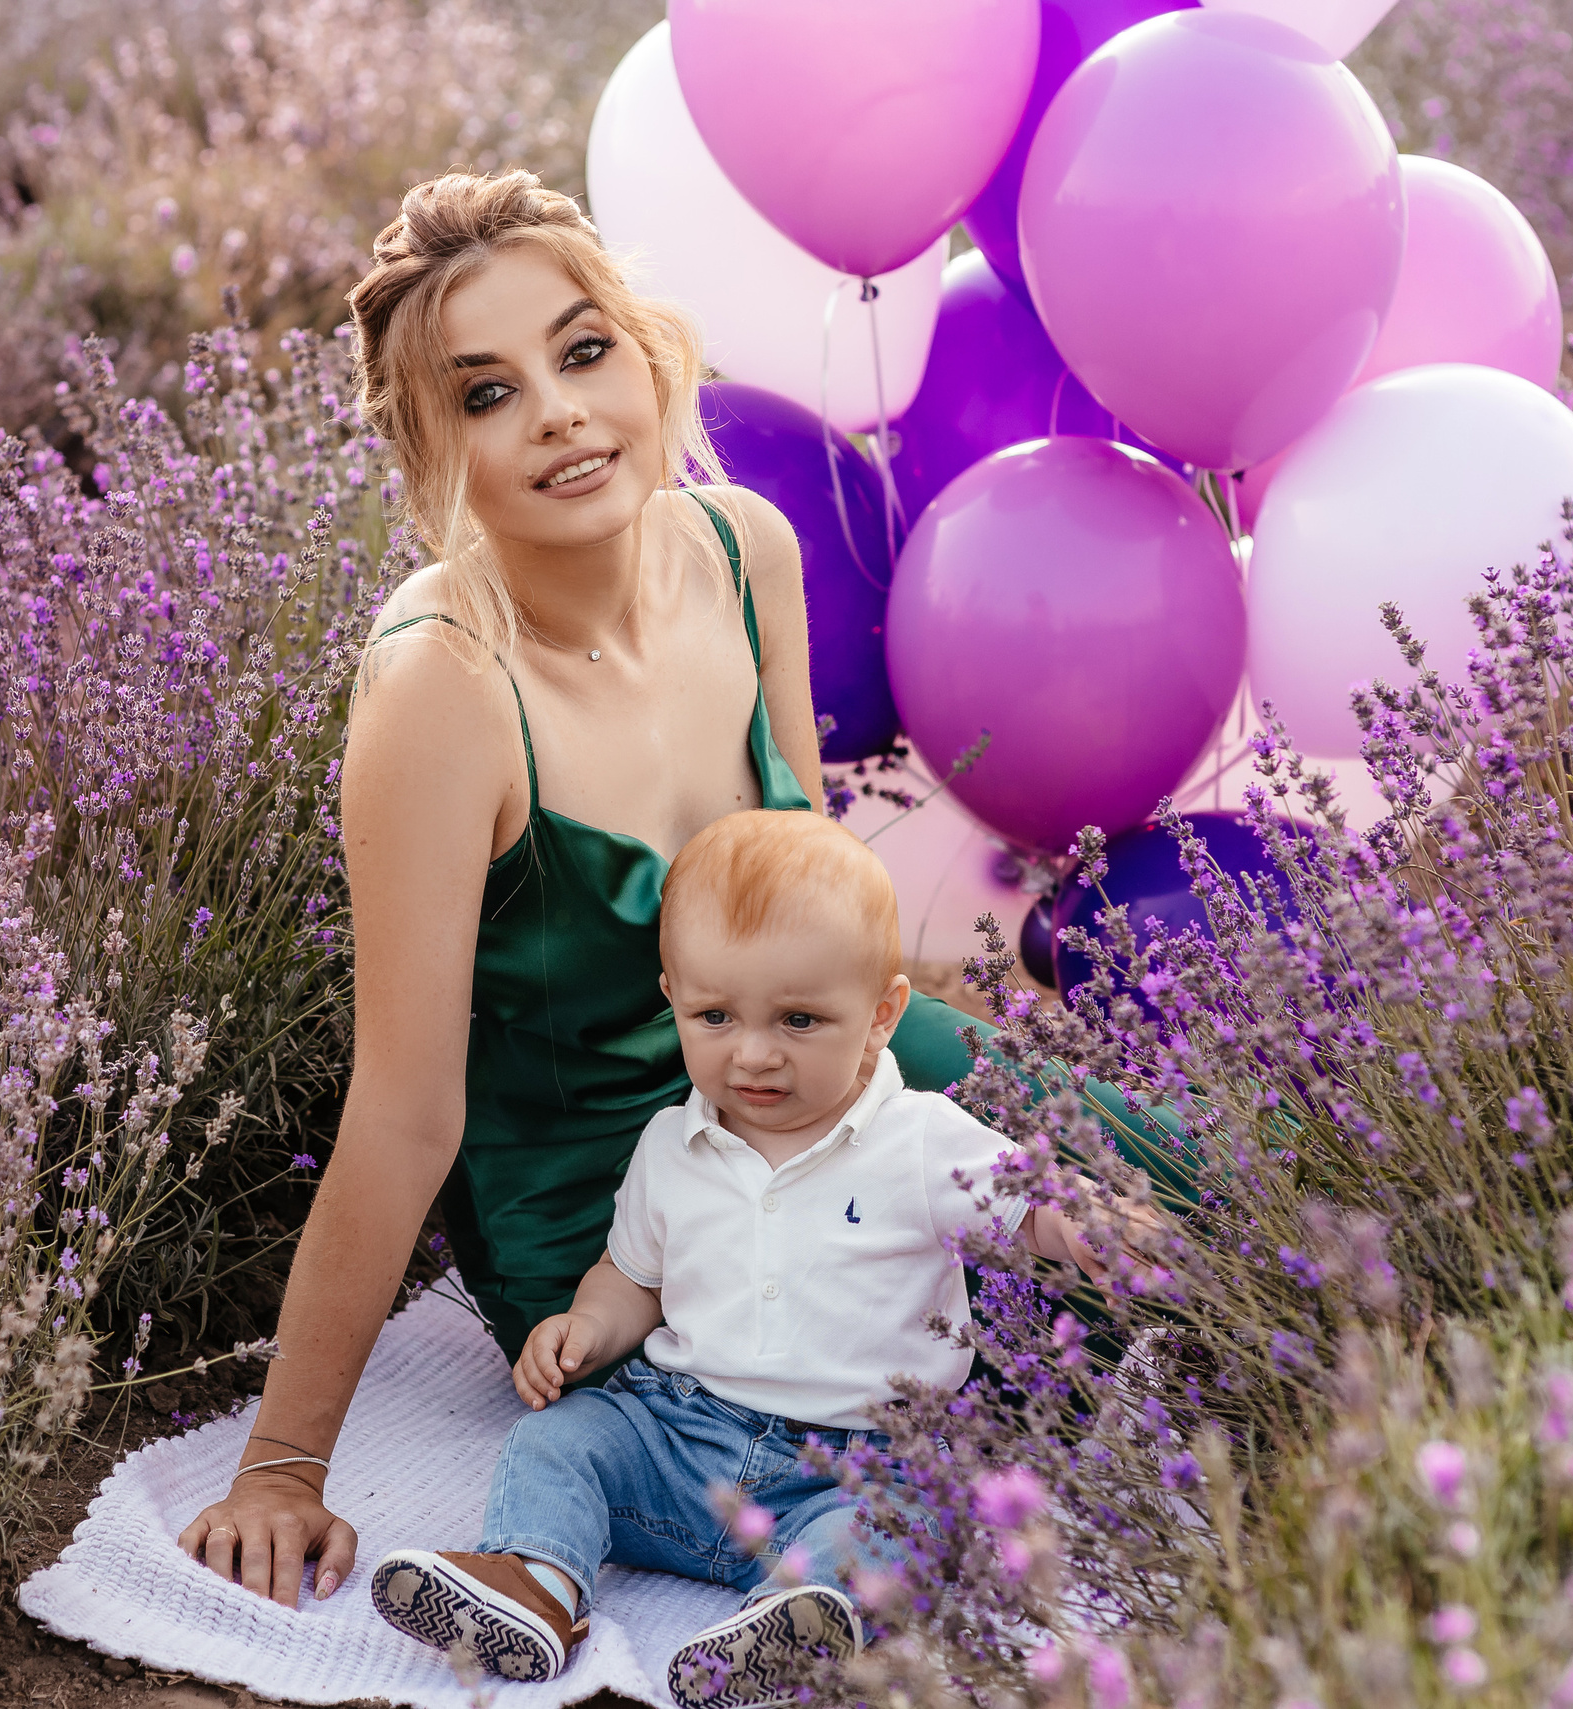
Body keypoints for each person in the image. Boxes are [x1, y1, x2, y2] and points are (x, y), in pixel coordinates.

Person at [174, 167, 1188, 1608]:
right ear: (430, 448)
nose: (560, 412)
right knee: (928, 1364)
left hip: (830, 1073)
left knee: (1181, 1189)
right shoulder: (442, 691)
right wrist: (284, 1460)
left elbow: (820, 900)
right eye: (486, 394)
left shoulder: (742, 549)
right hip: (613, 1206)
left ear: (644, 351)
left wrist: (953, 1085)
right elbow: (405, 1111)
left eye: (582, 351)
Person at [363, 810, 1135, 1702]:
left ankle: (791, 1618)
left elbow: (1027, 1204)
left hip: (854, 1458)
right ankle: (538, 1582)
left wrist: (1084, 1223)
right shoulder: (670, 1143)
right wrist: (585, 1324)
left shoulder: (918, 1138)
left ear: (883, 1013)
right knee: (558, 1441)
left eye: (800, 1019)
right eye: (715, 1015)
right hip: (678, 1432)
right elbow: (636, 1277)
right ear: (673, 1000)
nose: (754, 1054)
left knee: (902, 1525)